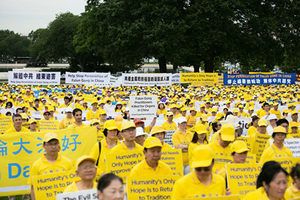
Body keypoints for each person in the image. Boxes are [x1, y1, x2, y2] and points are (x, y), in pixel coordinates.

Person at [28, 133, 73, 200]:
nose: (53, 147)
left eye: (55, 144)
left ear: (59, 146)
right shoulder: (36, 165)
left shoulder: (67, 162)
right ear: (44, 146)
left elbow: (73, 184)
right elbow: (33, 188)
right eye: (50, 144)